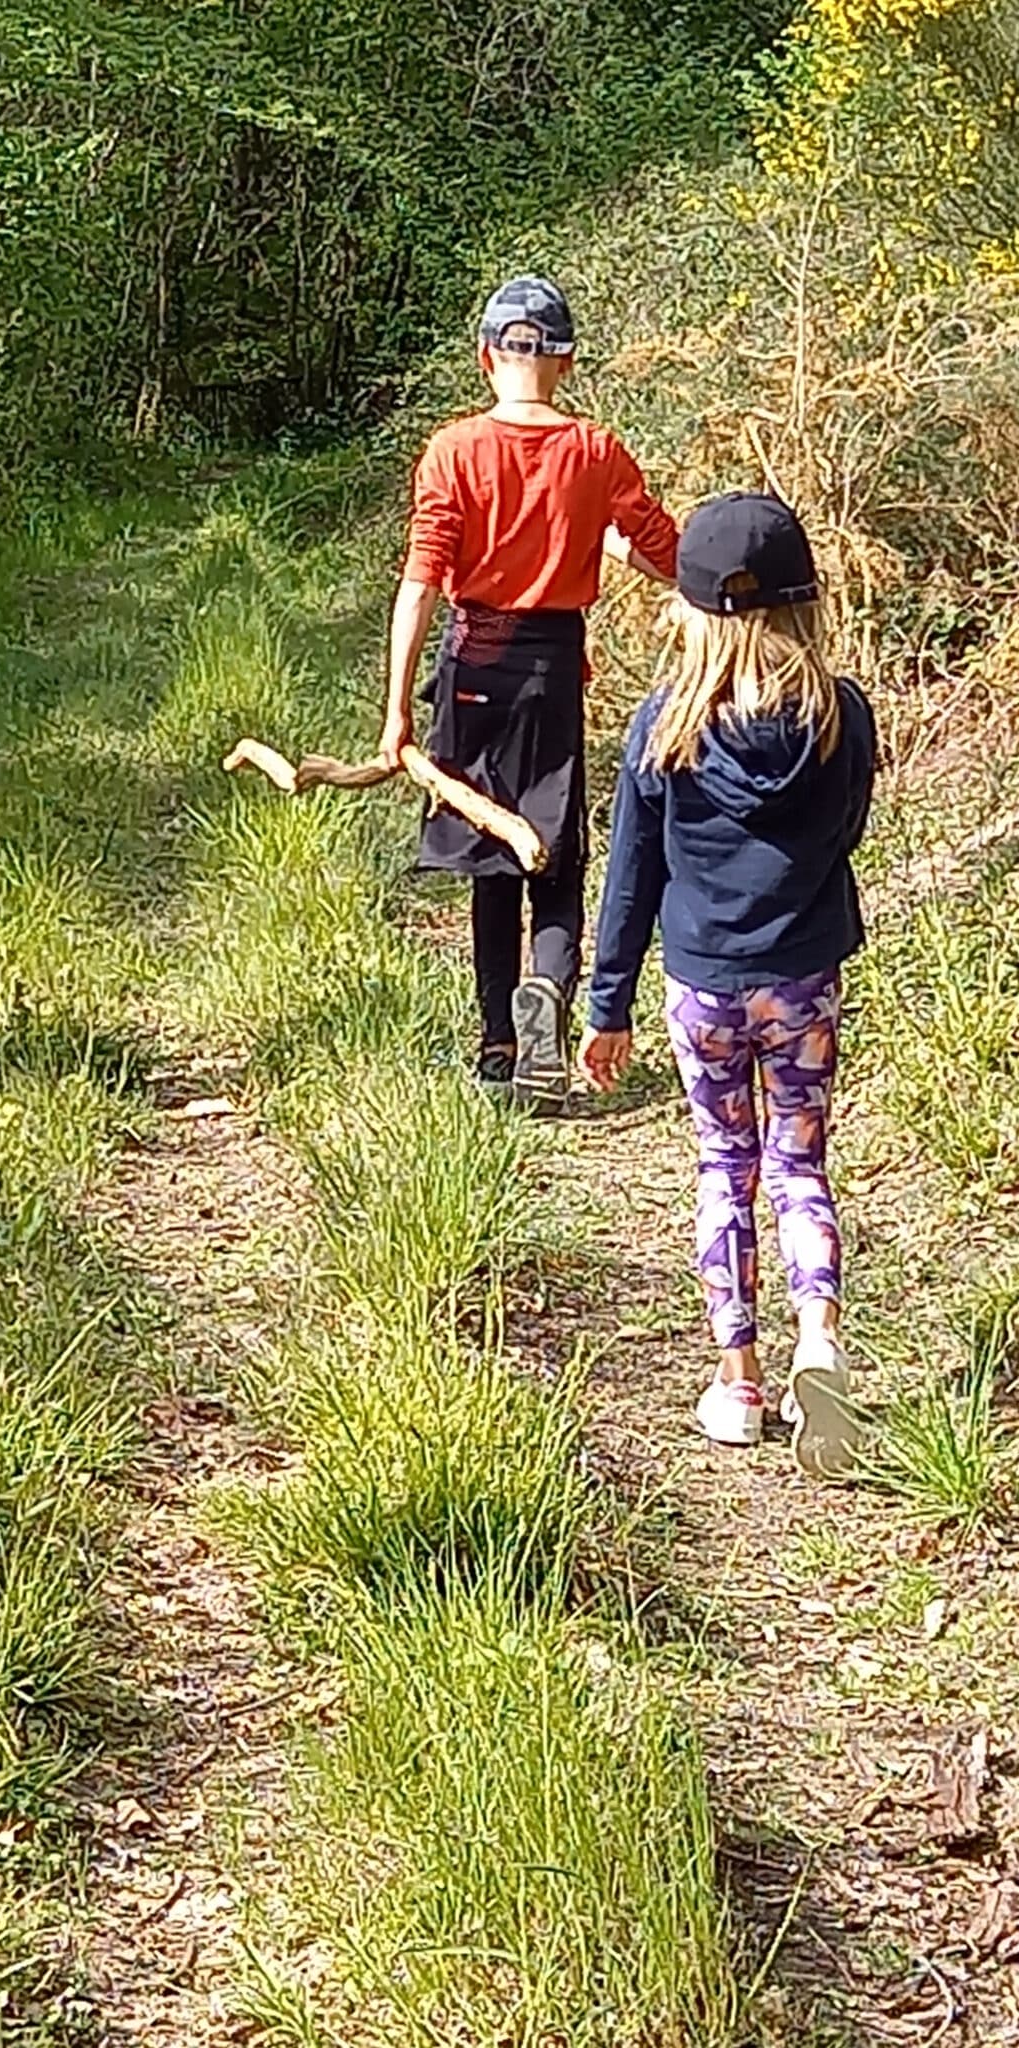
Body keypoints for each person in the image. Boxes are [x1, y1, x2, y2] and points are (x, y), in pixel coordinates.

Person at [579, 493, 876, 1476]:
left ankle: (739, 1380)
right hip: (804, 977)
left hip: (704, 983)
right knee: (799, 1159)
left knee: (724, 1163)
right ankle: (820, 1341)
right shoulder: (845, 717)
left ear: (692, 607)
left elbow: (631, 875)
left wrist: (607, 1004)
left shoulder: (665, 725)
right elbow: (845, 836)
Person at [380, 275, 678, 1109]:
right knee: (555, 851)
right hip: (551, 670)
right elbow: (659, 548)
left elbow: (421, 584)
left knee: (491, 854)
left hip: (472, 667)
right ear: (566, 362)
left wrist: (399, 707)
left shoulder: (452, 451)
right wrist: (725, 589)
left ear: (487, 359)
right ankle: (548, 987)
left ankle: (497, 1049)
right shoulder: (595, 451)